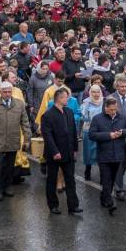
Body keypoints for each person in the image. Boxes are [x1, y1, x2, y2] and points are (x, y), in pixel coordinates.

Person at [0, 80, 31, 202]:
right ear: (0, 92)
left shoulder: (19, 104)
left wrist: (27, 139)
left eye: (9, 91)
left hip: (13, 140)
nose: (7, 94)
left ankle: (8, 187)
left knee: (10, 167)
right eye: (5, 92)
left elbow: (25, 123)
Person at [88, 96, 126, 214]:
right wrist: (109, 135)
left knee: (112, 178)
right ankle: (110, 202)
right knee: (106, 179)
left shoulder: (122, 118)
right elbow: (92, 135)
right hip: (104, 155)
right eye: (111, 109)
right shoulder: (97, 119)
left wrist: (122, 133)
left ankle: (104, 197)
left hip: (118, 154)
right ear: (106, 108)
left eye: (115, 109)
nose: (113, 112)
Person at [41, 86, 82, 215]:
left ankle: (73, 206)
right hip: (55, 154)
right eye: (66, 97)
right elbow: (47, 136)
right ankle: (53, 205)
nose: (68, 99)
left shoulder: (69, 112)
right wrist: (55, 152)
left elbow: (73, 132)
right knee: (52, 180)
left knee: (70, 179)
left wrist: (75, 148)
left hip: (68, 152)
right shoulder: (48, 115)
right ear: (59, 98)